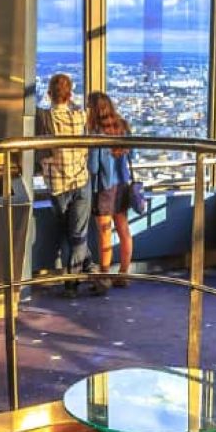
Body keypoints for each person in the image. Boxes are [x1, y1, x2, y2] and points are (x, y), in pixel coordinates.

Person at [36, 73, 105, 297]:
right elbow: (79, 109)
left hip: (57, 185)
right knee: (77, 234)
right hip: (80, 181)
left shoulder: (45, 118)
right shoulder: (79, 116)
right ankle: (91, 274)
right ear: (70, 94)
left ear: (49, 94)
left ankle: (73, 282)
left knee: (74, 233)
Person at [85, 91, 135, 289]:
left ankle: (104, 275)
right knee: (123, 230)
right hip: (122, 184)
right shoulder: (123, 126)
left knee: (105, 233)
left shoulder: (97, 133)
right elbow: (133, 154)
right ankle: (124, 273)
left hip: (105, 188)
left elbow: (93, 167)